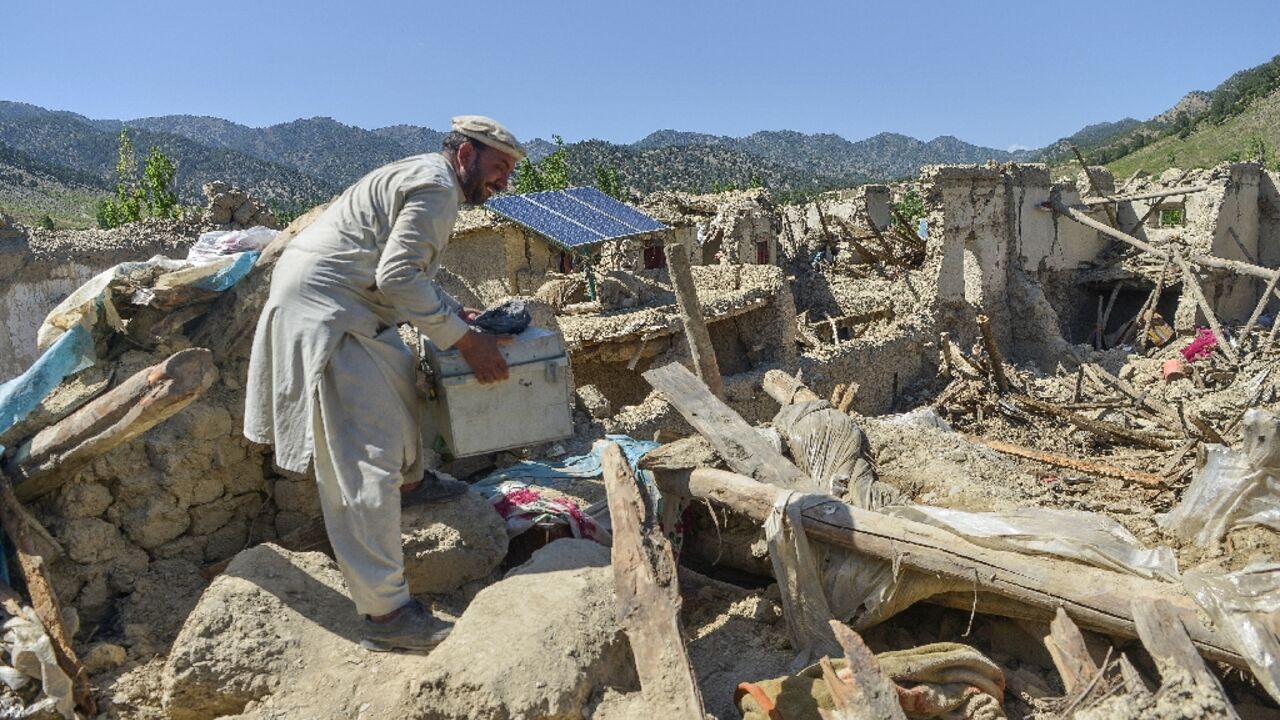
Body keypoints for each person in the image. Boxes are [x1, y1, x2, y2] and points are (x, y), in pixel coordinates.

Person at [243, 115, 525, 652]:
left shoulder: (430, 178)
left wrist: (450, 313)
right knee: (362, 459)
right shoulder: (438, 187)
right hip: (330, 312)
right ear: (465, 154)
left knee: (400, 374)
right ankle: (387, 614)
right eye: (498, 167)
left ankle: (412, 484)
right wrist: (468, 342)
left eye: (509, 171)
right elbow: (399, 278)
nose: (503, 182)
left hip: (355, 303)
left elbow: (399, 272)